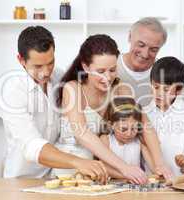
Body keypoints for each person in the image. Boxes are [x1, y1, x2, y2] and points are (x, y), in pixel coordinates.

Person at [56, 34, 172, 184]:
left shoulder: (120, 89)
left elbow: (145, 126)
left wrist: (159, 164)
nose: (108, 77)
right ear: (85, 67)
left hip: (100, 173)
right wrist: (124, 167)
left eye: (112, 70)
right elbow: (82, 133)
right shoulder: (72, 89)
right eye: (101, 71)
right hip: (69, 171)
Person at [0, 26, 107, 182]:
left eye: (50, 63)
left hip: (55, 176)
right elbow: (31, 145)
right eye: (38, 66)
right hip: (21, 178)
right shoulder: (12, 90)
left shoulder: (59, 77)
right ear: (21, 60)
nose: (46, 72)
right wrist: (77, 162)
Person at [145, 56, 184, 176]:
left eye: (166, 90)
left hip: (178, 178)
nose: (159, 94)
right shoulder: (145, 113)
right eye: (156, 87)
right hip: (151, 178)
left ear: (179, 90)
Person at [99, 97, 155, 179]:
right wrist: (128, 176)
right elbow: (104, 167)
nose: (129, 134)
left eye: (133, 128)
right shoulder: (105, 140)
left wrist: (159, 172)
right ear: (111, 125)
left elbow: (154, 167)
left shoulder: (139, 141)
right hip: (111, 186)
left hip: (134, 188)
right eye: (124, 129)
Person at [117, 17, 167, 107]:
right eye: (141, 45)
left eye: (153, 50)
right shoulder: (110, 68)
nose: (145, 54)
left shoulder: (166, 73)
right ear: (129, 37)